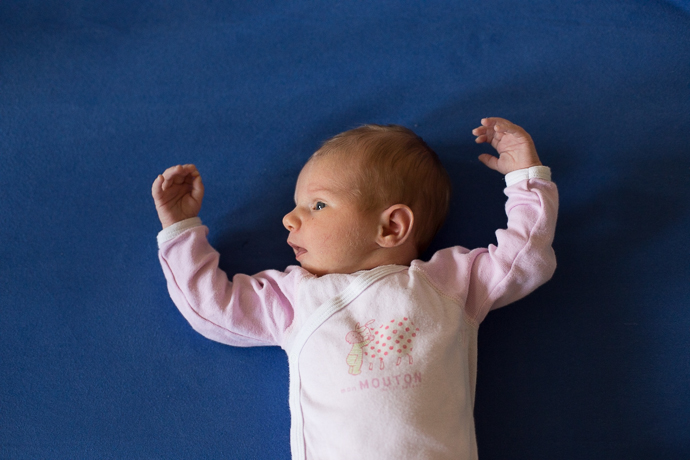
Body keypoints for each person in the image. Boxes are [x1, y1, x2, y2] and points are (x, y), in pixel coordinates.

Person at [152, 117, 558, 459]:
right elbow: (213, 307)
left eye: (317, 205)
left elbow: (524, 259)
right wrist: (180, 230)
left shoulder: (448, 282)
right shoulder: (296, 297)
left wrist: (525, 179)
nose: (289, 219)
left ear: (391, 226)